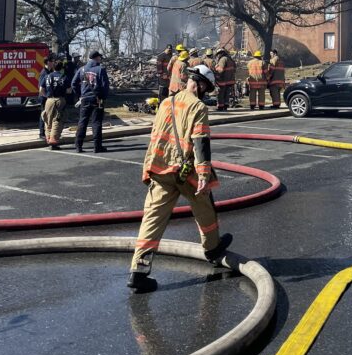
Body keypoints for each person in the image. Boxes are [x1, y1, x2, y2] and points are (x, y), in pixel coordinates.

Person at [128, 64, 233, 293]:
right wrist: (204, 173)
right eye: (206, 87)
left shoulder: (166, 102)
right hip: (184, 171)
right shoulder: (198, 107)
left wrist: (149, 168)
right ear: (202, 85)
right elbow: (200, 141)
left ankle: (139, 271)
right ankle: (213, 249)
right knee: (205, 205)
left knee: (152, 220)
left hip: (159, 168)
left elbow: (155, 136)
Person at [71, 51, 110, 153]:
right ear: (97, 58)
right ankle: (97, 146)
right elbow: (105, 86)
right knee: (96, 122)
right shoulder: (100, 69)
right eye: (99, 58)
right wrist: (104, 97)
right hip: (97, 99)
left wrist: (80, 94)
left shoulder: (82, 69)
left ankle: (78, 146)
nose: (100, 59)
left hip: (84, 99)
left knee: (82, 122)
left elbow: (73, 83)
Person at [42, 59, 70, 149]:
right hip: (60, 100)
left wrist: (47, 96)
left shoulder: (47, 76)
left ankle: (48, 137)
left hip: (49, 100)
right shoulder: (64, 76)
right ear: (61, 68)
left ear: (53, 67)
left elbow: (41, 90)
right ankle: (53, 140)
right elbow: (69, 90)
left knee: (48, 119)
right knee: (58, 119)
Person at [37, 53, 56, 140]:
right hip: (44, 98)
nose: (53, 63)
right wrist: (47, 97)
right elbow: (41, 88)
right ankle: (41, 134)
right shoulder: (44, 73)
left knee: (50, 116)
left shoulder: (50, 72)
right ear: (48, 62)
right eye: (52, 61)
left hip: (49, 98)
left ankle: (48, 132)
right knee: (43, 115)